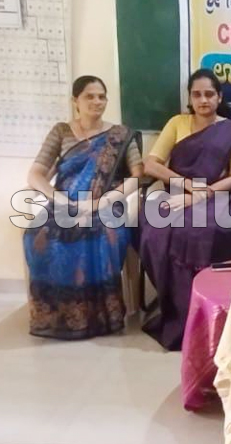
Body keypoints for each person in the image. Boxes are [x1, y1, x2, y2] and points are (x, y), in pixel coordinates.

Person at [23, 75, 143, 339]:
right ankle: (55, 314)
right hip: (65, 201)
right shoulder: (61, 132)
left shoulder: (121, 135)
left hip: (107, 203)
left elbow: (137, 177)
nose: (97, 101)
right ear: (75, 101)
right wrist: (60, 199)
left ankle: (98, 314)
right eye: (90, 96)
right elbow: (35, 174)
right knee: (39, 233)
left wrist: (101, 202)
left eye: (102, 96)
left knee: (100, 232)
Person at [138, 68, 231, 350]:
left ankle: (205, 313)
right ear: (189, 98)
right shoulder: (177, 123)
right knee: (155, 230)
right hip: (176, 193)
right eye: (197, 94)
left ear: (219, 97)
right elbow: (151, 164)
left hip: (216, 197)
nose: (203, 100)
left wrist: (201, 194)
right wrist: (187, 186)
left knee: (199, 231)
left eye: (209, 94)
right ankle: (174, 307)